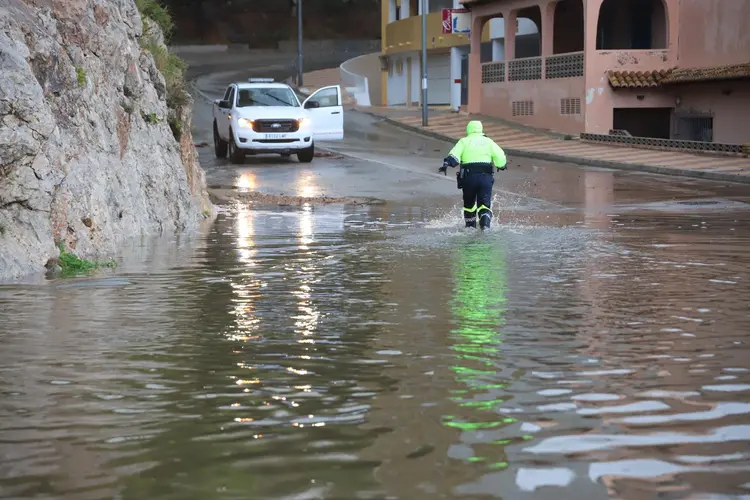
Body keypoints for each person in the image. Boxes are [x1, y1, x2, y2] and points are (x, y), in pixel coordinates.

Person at [439, 120, 507, 230]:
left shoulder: (464, 141)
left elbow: (454, 155)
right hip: (485, 177)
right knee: (484, 204)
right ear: (481, 129)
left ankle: (470, 228)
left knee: (469, 205)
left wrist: (447, 163)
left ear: (468, 130)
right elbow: (500, 156)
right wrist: (502, 165)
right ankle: (485, 227)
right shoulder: (488, 142)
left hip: (468, 178)